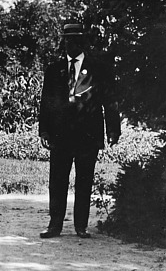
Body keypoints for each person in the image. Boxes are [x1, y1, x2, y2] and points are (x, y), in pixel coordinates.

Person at [38, 22, 121, 238]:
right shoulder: (54, 70)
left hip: (87, 134)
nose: (70, 43)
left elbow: (110, 100)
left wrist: (113, 130)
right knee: (57, 181)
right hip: (60, 135)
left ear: (82, 42)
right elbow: (45, 103)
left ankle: (80, 226)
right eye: (66, 39)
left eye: (74, 39)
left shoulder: (98, 69)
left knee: (84, 180)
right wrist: (44, 131)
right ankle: (55, 225)